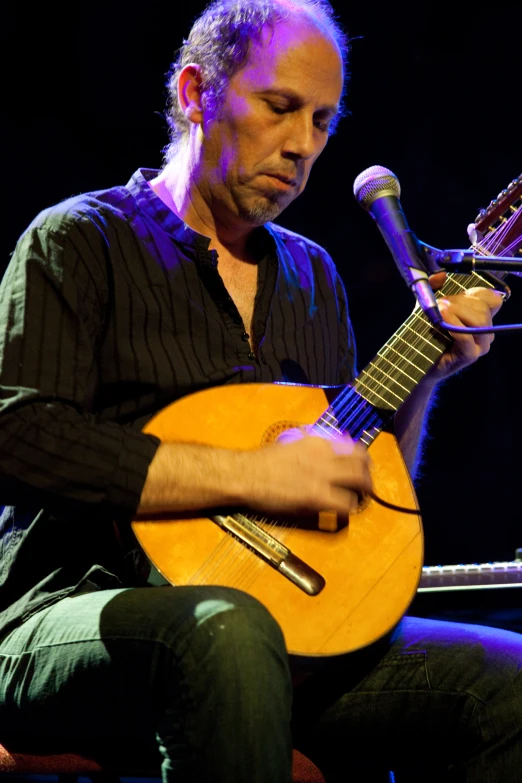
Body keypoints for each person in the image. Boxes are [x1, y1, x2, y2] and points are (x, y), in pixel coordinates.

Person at [0, 0, 520, 781]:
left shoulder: (312, 276)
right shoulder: (79, 240)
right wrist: (253, 472)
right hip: (71, 612)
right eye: (280, 108)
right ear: (194, 93)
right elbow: (22, 435)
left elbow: (363, 497)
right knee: (227, 632)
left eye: (322, 122)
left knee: (506, 681)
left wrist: (427, 379)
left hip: (284, 632)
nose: (304, 145)